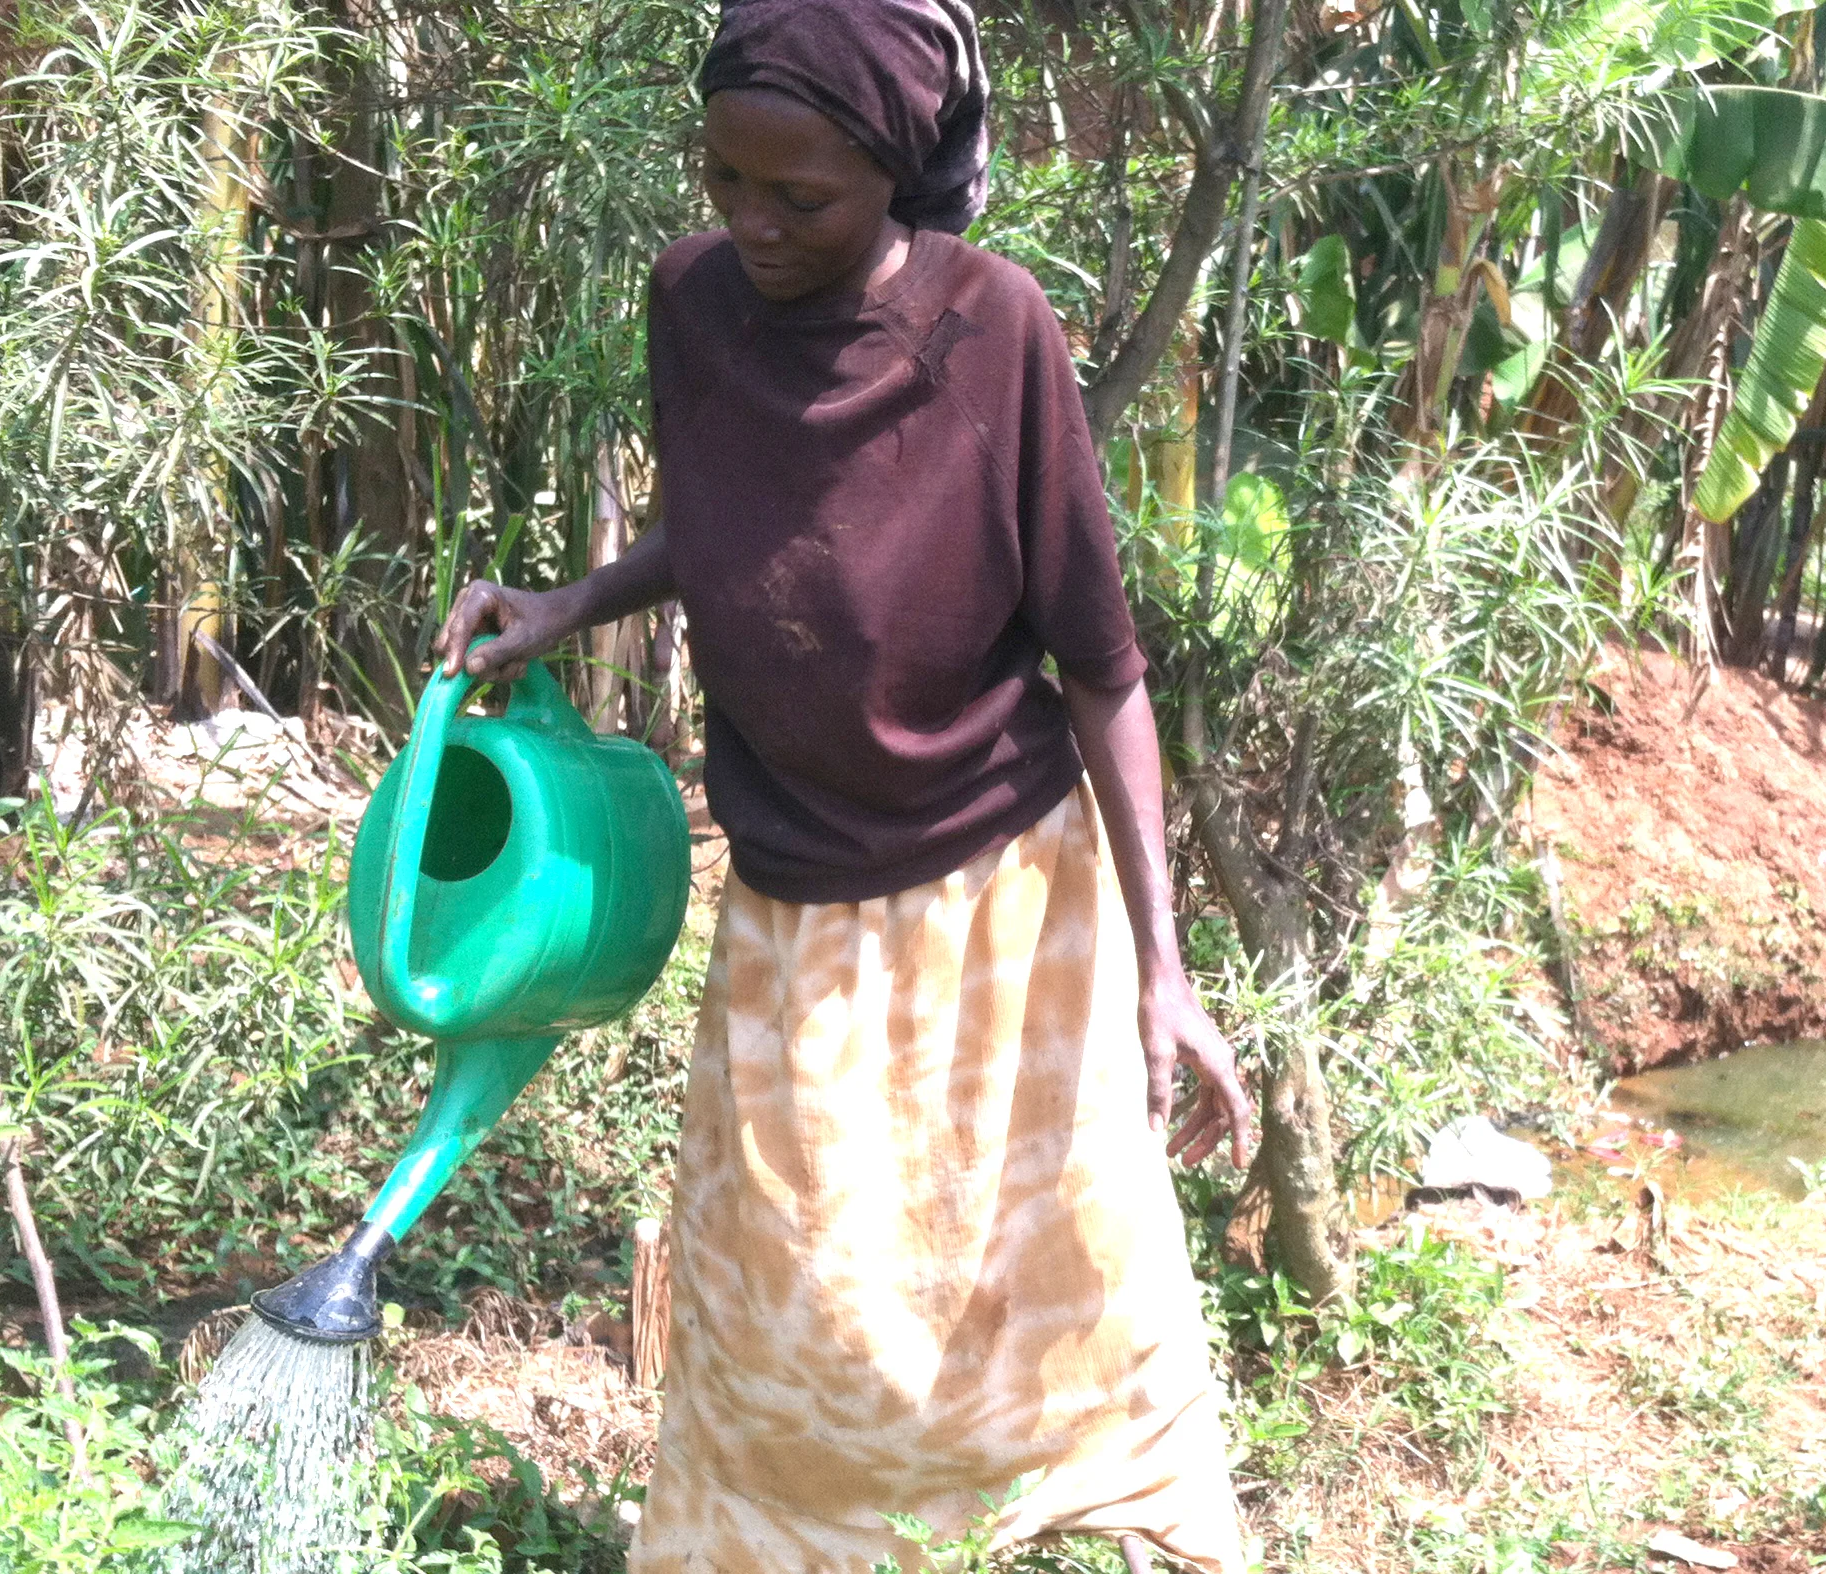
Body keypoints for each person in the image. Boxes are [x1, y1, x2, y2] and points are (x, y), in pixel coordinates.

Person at [437, 3, 1252, 1568]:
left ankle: (1083, 1529)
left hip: (1004, 900)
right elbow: (739, 525)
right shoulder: (696, 304)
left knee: (1058, 1286)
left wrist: (1164, 967)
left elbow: (1104, 666)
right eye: (722, 177)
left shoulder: (995, 332)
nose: (748, 222)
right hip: (793, 898)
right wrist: (566, 605)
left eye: (796, 198)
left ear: (895, 172)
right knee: (792, 1312)